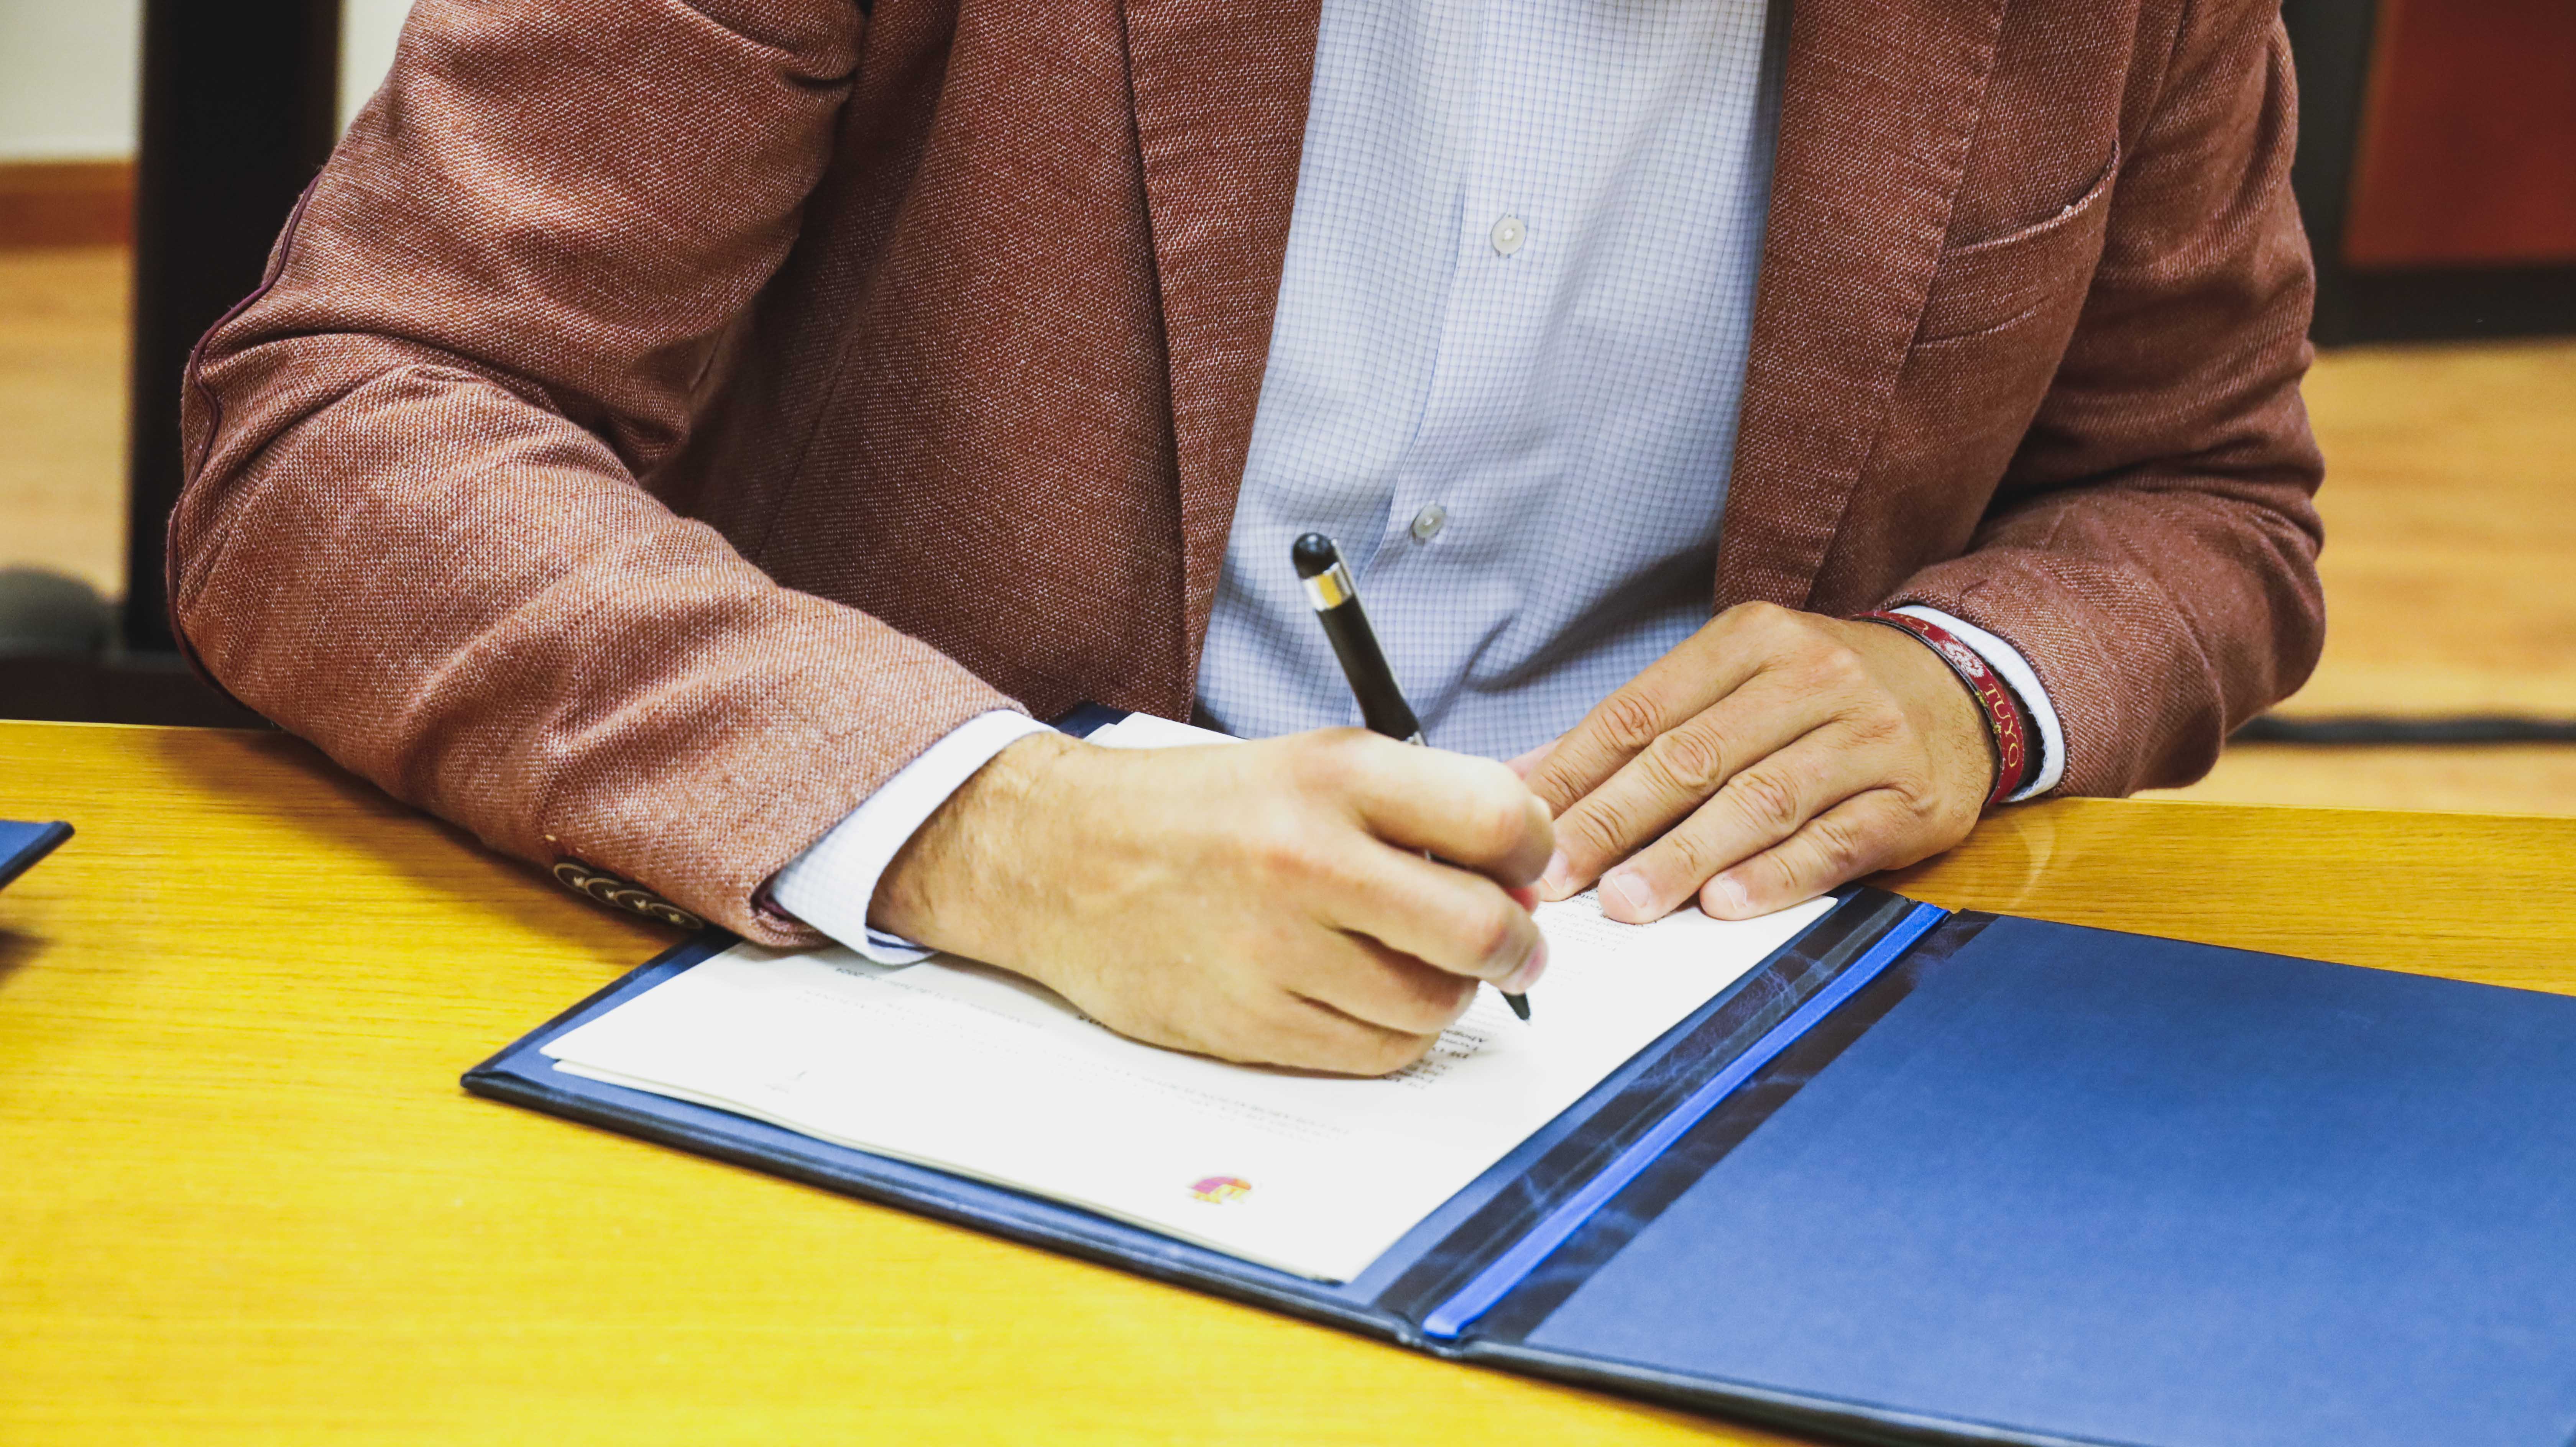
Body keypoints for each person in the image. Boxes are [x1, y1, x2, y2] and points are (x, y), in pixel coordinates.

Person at [171, 0, 2323, 1074]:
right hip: (925, 1013)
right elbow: (352, 417)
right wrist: (993, 830)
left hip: (1684, 1050)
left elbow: (2206, 492)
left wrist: (1965, 689)